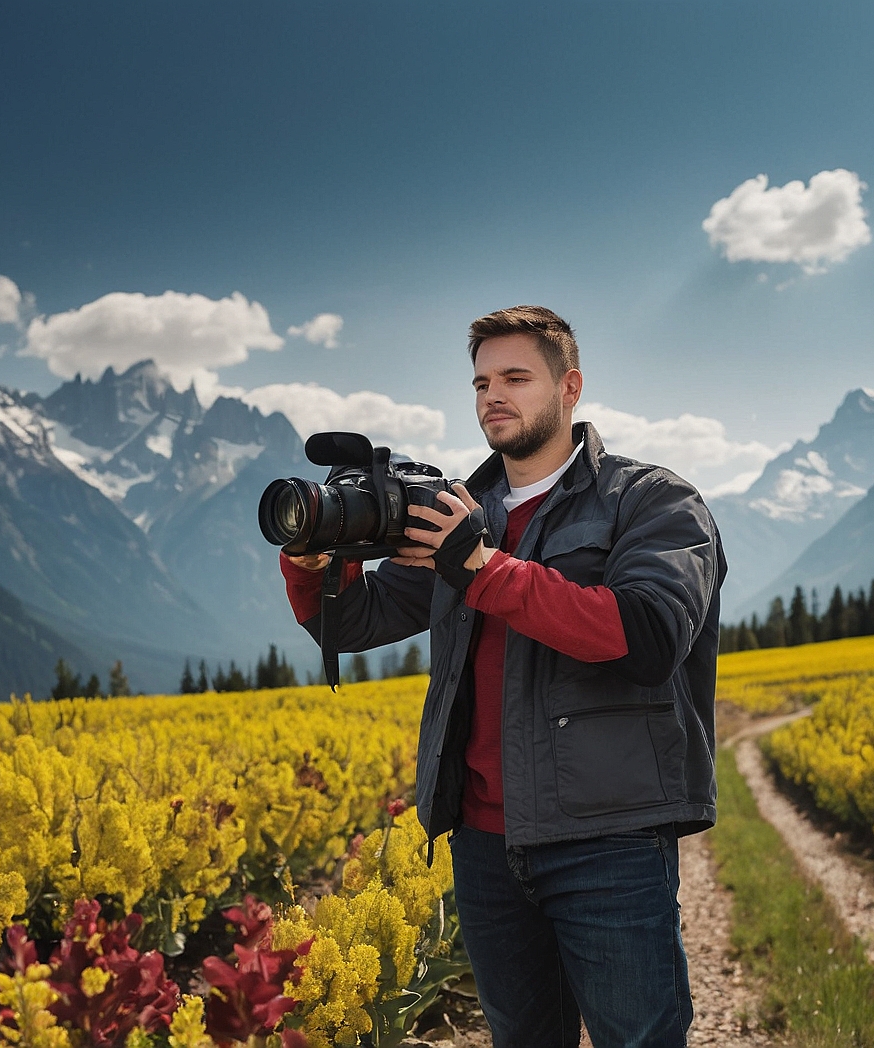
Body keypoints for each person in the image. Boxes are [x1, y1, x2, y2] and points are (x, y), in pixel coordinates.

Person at [279, 305, 725, 1048]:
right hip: (484, 843)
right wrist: (314, 556)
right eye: (482, 381)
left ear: (569, 387)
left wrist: (483, 568)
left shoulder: (650, 500)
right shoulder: (461, 513)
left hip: (607, 839)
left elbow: (646, 634)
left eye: (517, 377)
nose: (494, 395)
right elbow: (354, 622)